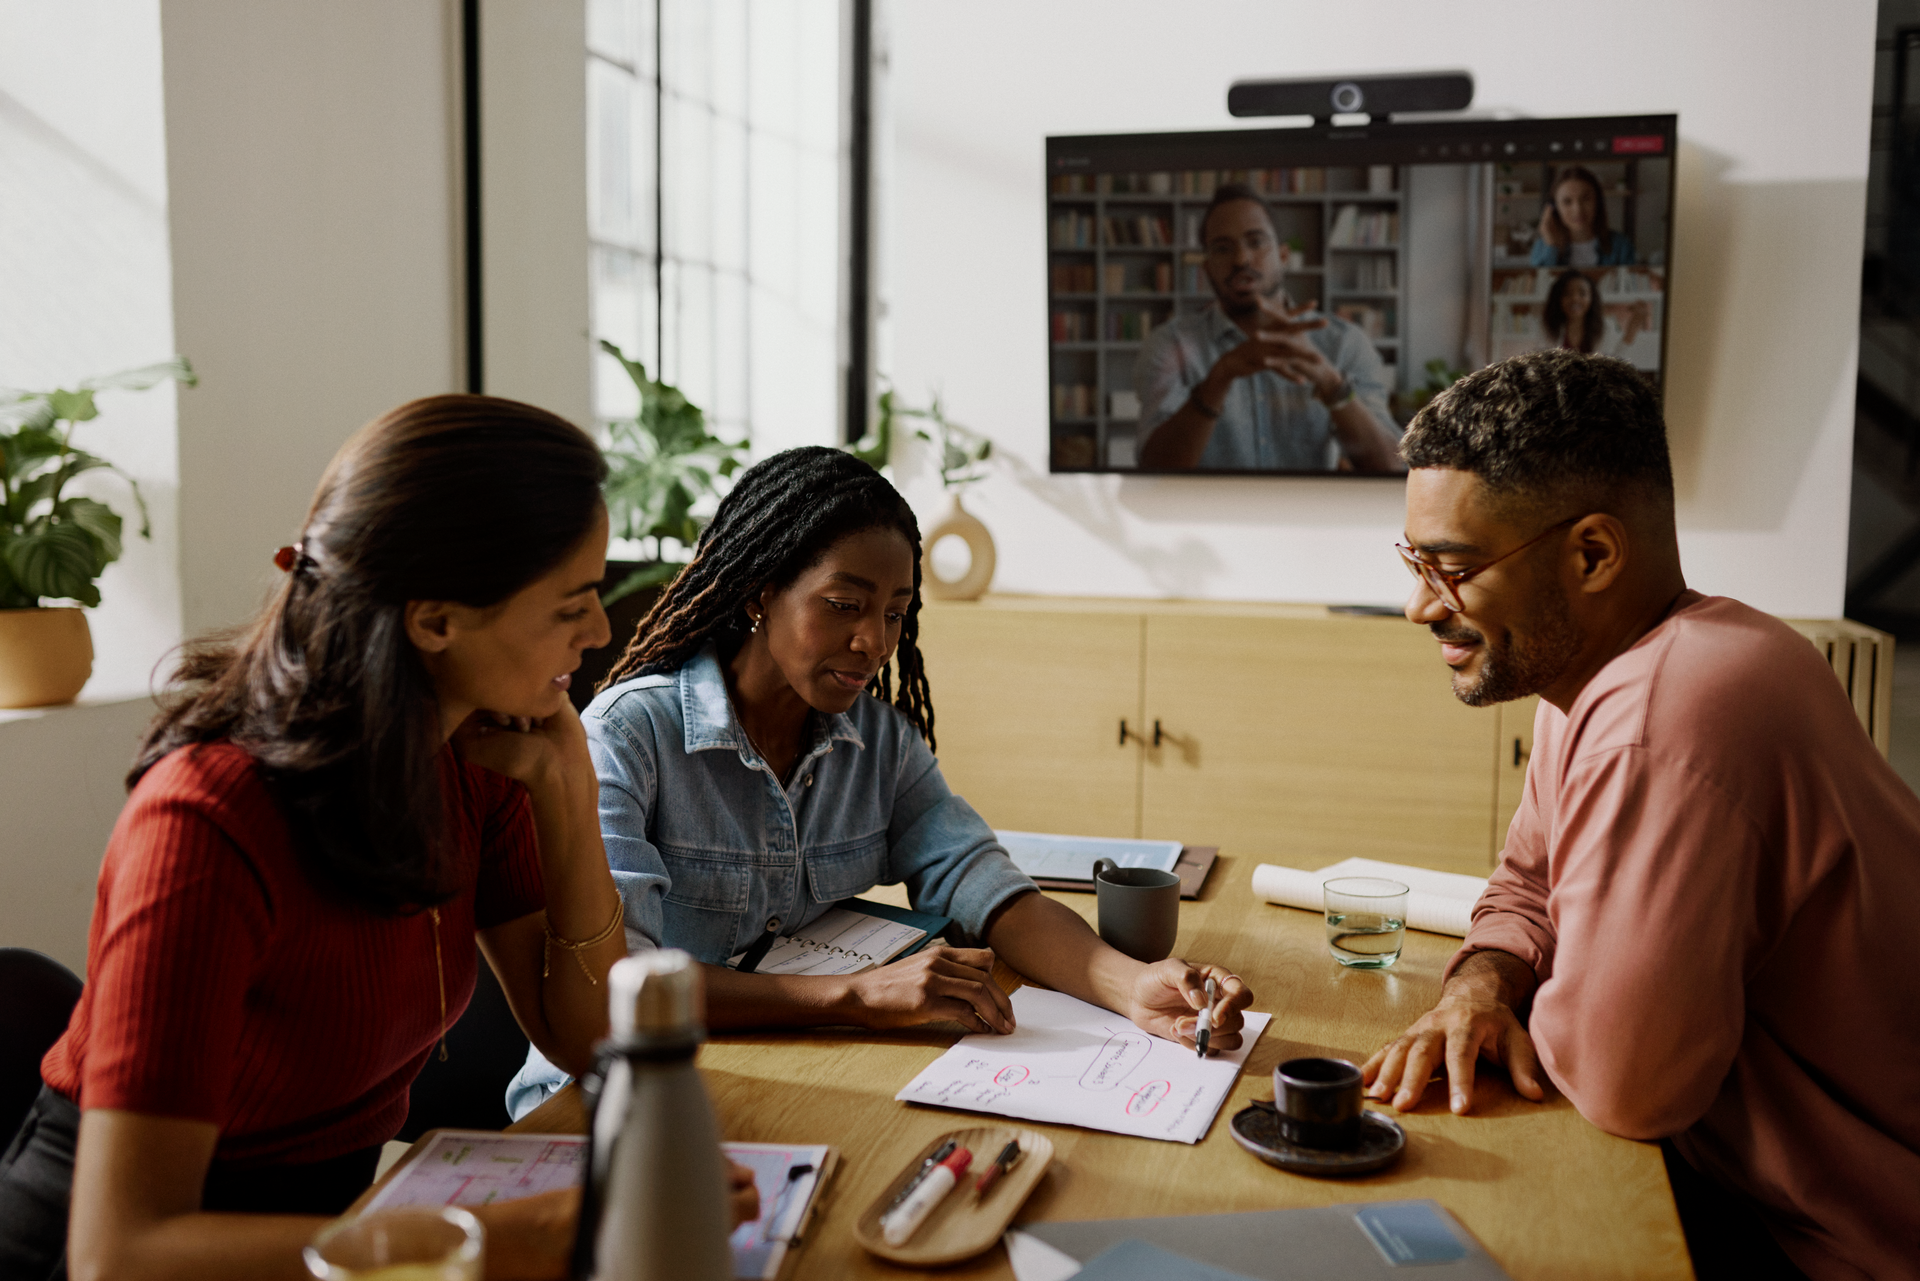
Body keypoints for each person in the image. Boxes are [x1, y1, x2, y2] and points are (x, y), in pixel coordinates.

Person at [0, 396, 756, 1281]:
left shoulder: (479, 756)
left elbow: (585, 1039)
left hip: (333, 1238)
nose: (599, 630)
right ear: (435, 621)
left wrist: (567, 787)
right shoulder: (206, 820)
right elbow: (121, 1252)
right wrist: (514, 1237)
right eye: (572, 604)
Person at [1365, 350, 1920, 1280]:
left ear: (1592, 554)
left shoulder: (1666, 713)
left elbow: (1626, 1084)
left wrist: (1542, 986)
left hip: (1849, 1241)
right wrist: (1480, 989)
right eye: (1416, 562)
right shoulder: (1604, 673)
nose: (1420, 605)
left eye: (1453, 568)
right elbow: (1526, 885)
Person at [507, 447, 1254, 1118]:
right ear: (760, 592)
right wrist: (857, 994)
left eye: (896, 614)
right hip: (603, 1102)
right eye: (844, 605)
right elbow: (626, 983)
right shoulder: (628, 736)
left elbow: (981, 882)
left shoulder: (878, 742)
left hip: (774, 1077)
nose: (874, 641)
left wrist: (1129, 986)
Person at [1136, 183, 1403, 472]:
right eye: (1223, 248)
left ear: (1284, 256)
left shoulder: (1343, 342)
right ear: (1207, 268)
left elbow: (1391, 470)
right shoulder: (1171, 344)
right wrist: (1219, 379)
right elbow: (1153, 471)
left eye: (1256, 242)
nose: (1241, 259)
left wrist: (1332, 384)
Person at [1529, 166, 1634, 267]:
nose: (1578, 209)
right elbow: (1542, 279)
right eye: (1567, 202)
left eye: (1586, 199)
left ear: (1598, 202)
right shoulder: (1543, 246)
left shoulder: (1621, 245)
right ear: (1554, 208)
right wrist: (1551, 247)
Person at [1541, 270, 1651, 358]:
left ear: (1592, 299)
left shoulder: (1605, 327)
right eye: (1567, 293)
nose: (1575, 298)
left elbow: (1612, 364)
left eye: (1582, 294)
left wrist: (1632, 328)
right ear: (1558, 299)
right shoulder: (1546, 328)